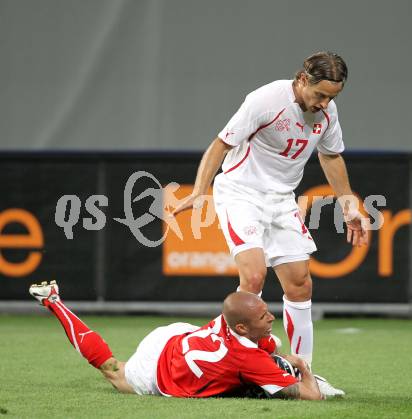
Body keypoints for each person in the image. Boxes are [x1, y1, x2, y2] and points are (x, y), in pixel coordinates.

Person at [172, 51, 369, 396]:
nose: (325, 103)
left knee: (300, 284)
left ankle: (305, 374)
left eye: (332, 97)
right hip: (240, 193)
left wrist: (348, 203)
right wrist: (200, 190)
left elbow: (331, 154)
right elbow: (221, 144)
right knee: (253, 276)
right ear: (303, 79)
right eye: (320, 94)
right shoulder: (266, 100)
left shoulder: (326, 111)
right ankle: (240, 368)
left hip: (280, 200)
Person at [29, 280, 322, 400]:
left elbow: (262, 343)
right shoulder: (252, 355)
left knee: (260, 356)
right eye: (264, 317)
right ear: (243, 327)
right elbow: (312, 396)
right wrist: (304, 370)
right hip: (157, 370)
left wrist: (280, 360)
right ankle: (53, 301)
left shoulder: (230, 318)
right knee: (112, 369)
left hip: (174, 334)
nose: (272, 318)